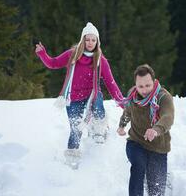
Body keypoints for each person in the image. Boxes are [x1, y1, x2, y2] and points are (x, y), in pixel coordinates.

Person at [35, 22, 123, 163]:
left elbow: (111, 84)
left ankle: (99, 130)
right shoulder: (72, 55)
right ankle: (71, 161)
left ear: (97, 41)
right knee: (76, 129)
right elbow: (53, 63)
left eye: (93, 40)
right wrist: (42, 53)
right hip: (74, 99)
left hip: (92, 95)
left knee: (97, 100)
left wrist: (123, 103)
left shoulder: (101, 60)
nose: (90, 43)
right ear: (83, 40)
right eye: (87, 39)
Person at [117, 64, 174, 196]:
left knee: (156, 190)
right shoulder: (133, 96)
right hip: (136, 142)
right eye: (140, 86)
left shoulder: (163, 97)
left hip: (158, 147)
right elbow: (128, 112)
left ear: (154, 82)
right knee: (138, 166)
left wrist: (156, 130)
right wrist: (122, 125)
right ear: (135, 84)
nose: (144, 90)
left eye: (147, 85)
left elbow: (168, 117)